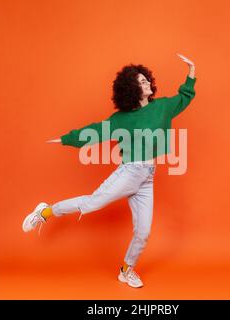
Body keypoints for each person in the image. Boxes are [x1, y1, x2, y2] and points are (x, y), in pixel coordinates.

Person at [22, 53, 196, 288]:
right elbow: (96, 131)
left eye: (147, 80)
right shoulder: (121, 119)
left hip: (147, 176)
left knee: (143, 232)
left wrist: (191, 72)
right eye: (140, 81)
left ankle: (126, 271)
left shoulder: (163, 107)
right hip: (130, 172)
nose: (145, 83)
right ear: (130, 89)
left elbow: (184, 97)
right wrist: (66, 139)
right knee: (92, 204)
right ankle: (45, 212)